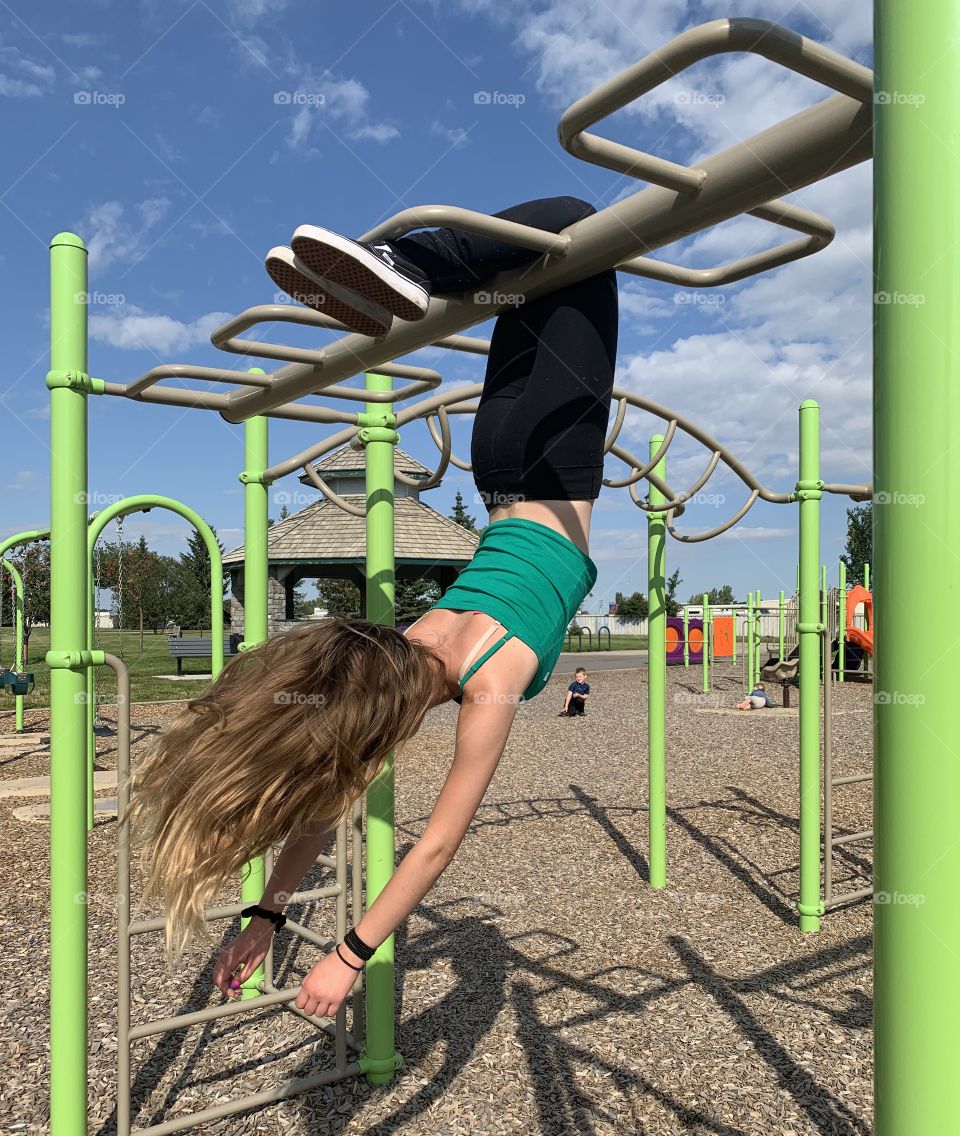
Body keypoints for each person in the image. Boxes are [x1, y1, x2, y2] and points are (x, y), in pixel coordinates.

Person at [128, 196, 617, 1022]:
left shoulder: (488, 686)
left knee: (575, 231)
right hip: (498, 462)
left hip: (554, 465)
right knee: (542, 258)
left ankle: (410, 266)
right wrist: (270, 917)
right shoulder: (399, 640)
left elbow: (435, 847)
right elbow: (329, 805)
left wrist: (344, 955)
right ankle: (405, 265)